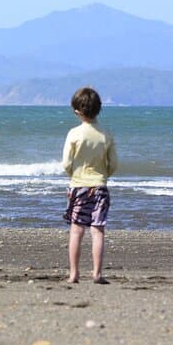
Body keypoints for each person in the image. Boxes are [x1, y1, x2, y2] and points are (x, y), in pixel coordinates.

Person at [62, 86, 118, 284]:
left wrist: (74, 176)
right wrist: (103, 176)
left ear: (77, 111)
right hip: (100, 187)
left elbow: (66, 163)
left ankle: (74, 273)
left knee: (76, 230)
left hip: (79, 186)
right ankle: (97, 273)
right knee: (98, 231)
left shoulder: (74, 134)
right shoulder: (106, 134)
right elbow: (114, 164)